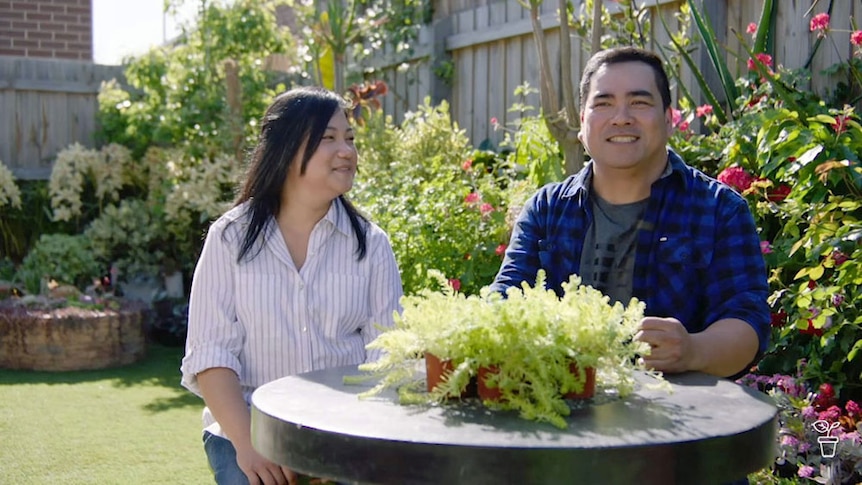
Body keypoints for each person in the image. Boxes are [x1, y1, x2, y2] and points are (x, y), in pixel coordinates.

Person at [490, 46, 769, 380]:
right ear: (582, 124)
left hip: (680, 418)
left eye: (639, 102)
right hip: (563, 411)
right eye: (603, 103)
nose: (621, 117)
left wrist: (693, 350)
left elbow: (747, 321)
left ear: (668, 120)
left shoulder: (720, 209)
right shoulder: (547, 209)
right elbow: (505, 298)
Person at [181, 86, 403, 485]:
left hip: (346, 429)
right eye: (329, 139)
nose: (347, 151)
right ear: (285, 150)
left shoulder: (371, 244)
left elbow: (387, 359)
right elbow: (211, 357)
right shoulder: (229, 238)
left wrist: (350, 443)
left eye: (349, 139)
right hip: (246, 428)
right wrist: (251, 447)